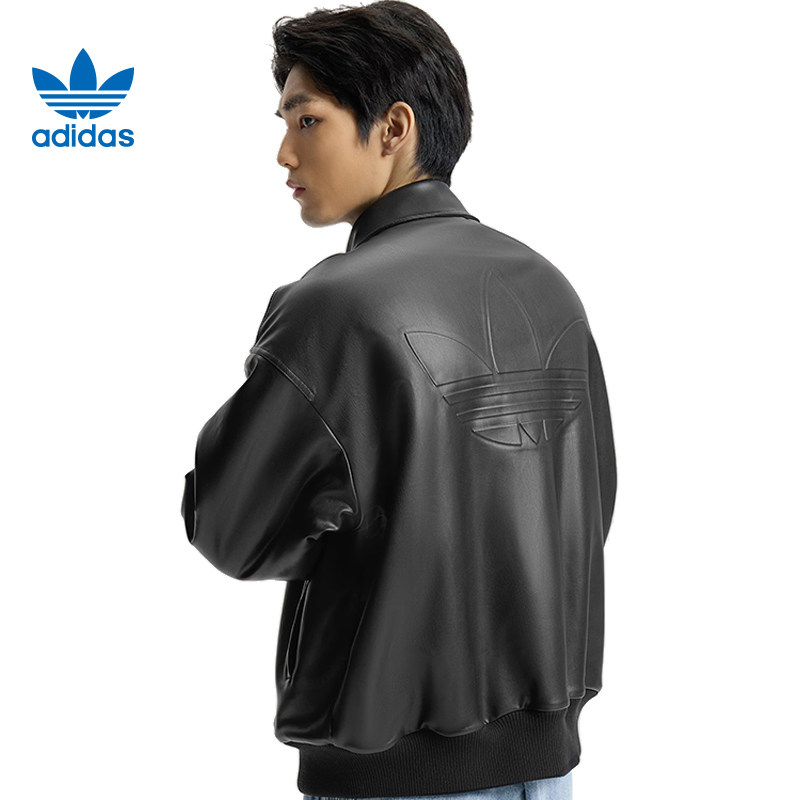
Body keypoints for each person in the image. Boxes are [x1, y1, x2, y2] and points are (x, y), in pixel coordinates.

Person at [180, 2, 617, 799]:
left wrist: (353, 535)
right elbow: (587, 507)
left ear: (394, 128)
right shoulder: (550, 287)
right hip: (549, 769)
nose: (284, 152)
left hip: (394, 776)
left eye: (307, 120)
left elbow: (229, 529)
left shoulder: (334, 307)